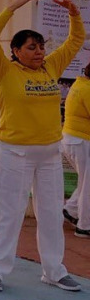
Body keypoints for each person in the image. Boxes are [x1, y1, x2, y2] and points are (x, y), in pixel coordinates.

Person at [0, 0, 84, 293]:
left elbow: (75, 41)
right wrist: (14, 5)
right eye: (31, 47)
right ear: (15, 51)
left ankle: (54, 271)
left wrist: (74, 13)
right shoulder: (5, 71)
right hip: (14, 152)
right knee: (9, 212)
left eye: (40, 46)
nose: (39, 51)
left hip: (50, 153)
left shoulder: (52, 66)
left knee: (52, 213)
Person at [61, 61, 90, 239]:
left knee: (86, 181)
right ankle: (85, 226)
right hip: (83, 140)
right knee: (88, 184)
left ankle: (71, 210)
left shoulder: (79, 84)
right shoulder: (88, 89)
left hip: (72, 138)